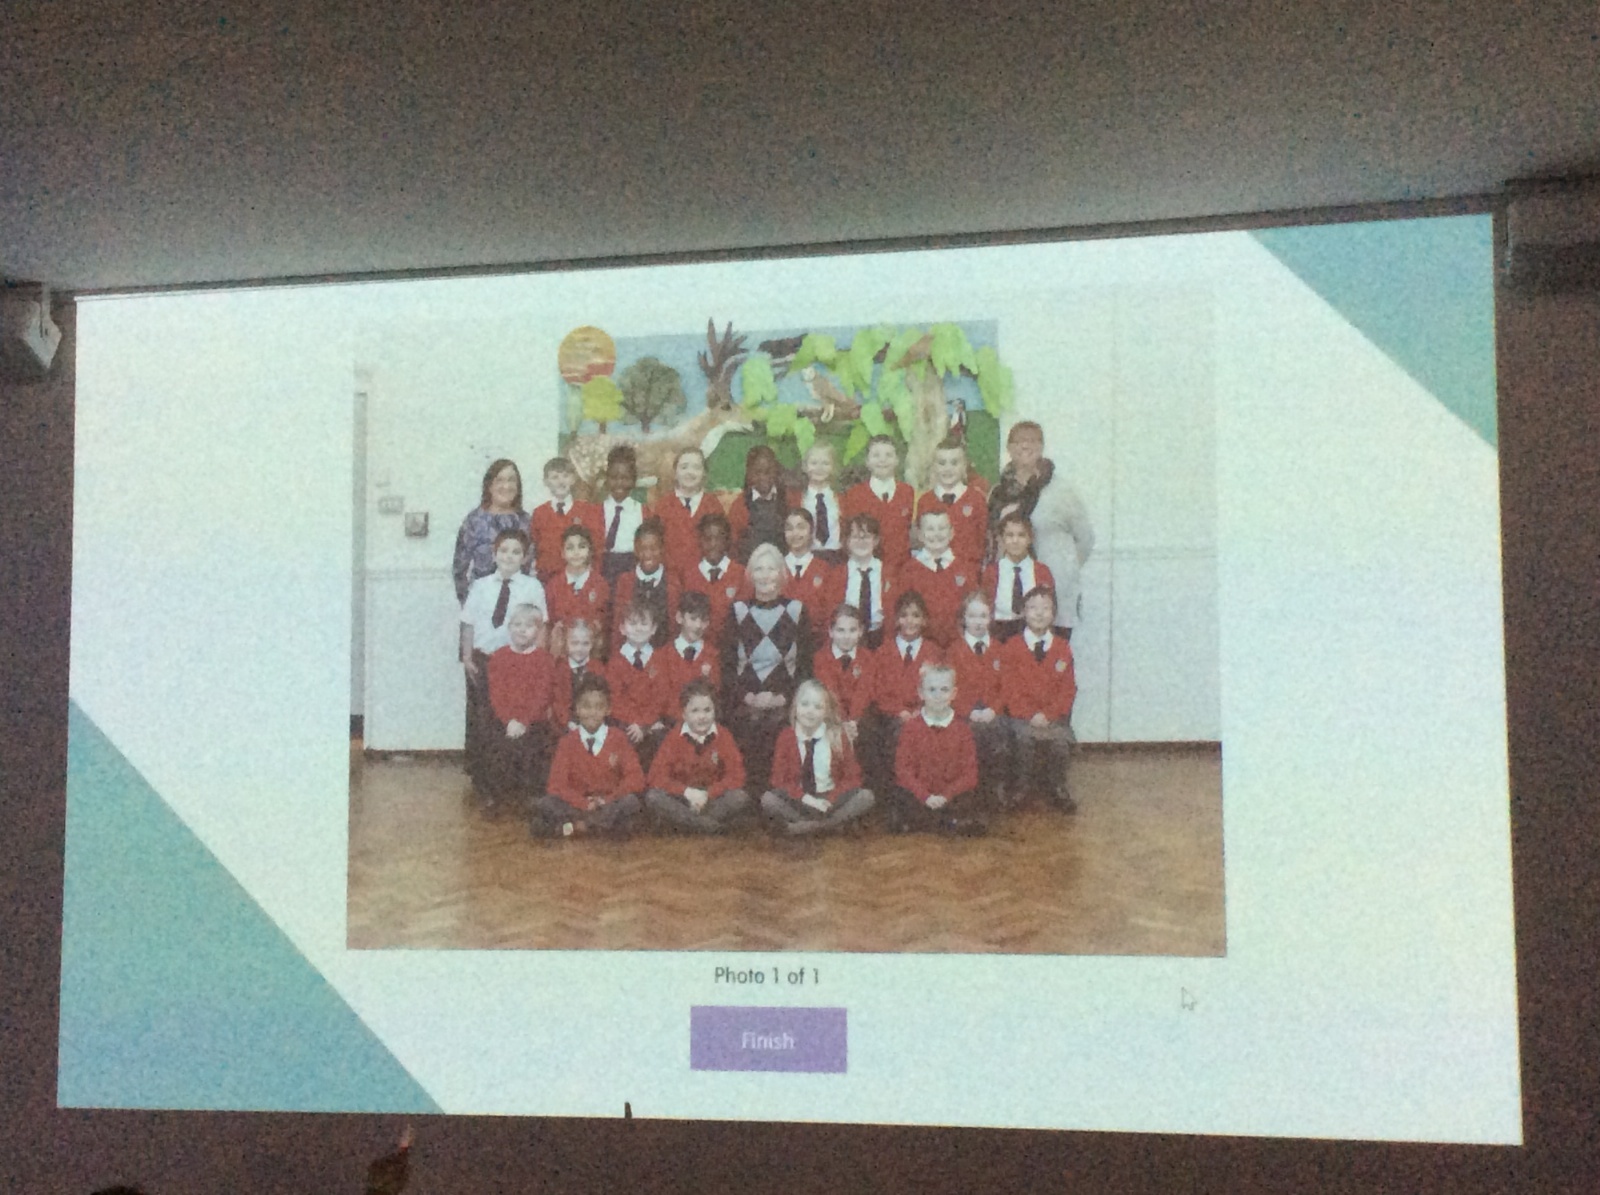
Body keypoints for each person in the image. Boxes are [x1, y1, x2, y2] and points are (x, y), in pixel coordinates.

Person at [987, 420, 1094, 637]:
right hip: (1011, 599)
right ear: (1009, 448)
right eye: (1018, 441)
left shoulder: (1062, 492)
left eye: (1032, 441)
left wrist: (1065, 568)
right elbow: (993, 542)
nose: (1025, 446)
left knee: (1053, 655)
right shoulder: (998, 494)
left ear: (1042, 447)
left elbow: (1085, 539)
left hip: (1055, 592)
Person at [458, 529, 547, 789]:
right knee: (482, 719)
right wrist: (467, 656)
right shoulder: (480, 586)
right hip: (483, 659)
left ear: (525, 558)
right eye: (504, 551)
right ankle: (482, 776)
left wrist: (538, 658)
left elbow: (542, 625)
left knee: (512, 715)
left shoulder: (532, 586)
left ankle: (513, 777)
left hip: (516, 661)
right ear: (494, 554)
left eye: (516, 552)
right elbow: (468, 622)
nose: (509, 556)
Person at [722, 542, 812, 792]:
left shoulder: (797, 610)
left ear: (782, 574)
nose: (764, 576)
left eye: (771, 569)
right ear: (750, 575)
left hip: (785, 701)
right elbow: (726, 667)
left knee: (778, 728)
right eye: (759, 569)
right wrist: (748, 697)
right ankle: (749, 800)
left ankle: (778, 798)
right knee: (748, 726)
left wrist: (783, 698)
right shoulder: (737, 611)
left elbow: (805, 668)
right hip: (745, 700)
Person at [998, 585, 1078, 812]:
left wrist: (1049, 715)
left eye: (1046, 608)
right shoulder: (1012, 646)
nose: (1040, 613)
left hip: (1053, 717)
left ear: (1054, 614)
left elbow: (1068, 689)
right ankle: (1021, 789)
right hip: (1022, 716)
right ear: (1023, 612)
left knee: (1061, 742)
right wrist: (1030, 714)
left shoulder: (1062, 648)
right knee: (1022, 740)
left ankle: (1058, 788)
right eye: (1033, 608)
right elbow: (1008, 687)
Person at [535, 674, 645, 837]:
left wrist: (606, 800)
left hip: (607, 803)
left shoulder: (618, 738)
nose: (592, 713)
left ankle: (578, 827)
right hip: (578, 804)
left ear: (608, 710)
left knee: (631, 802)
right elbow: (556, 784)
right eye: (586, 707)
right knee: (546, 803)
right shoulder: (567, 742)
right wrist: (584, 803)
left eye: (599, 707)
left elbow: (636, 778)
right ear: (577, 709)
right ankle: (598, 827)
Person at [761, 679, 875, 836]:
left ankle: (808, 827)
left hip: (830, 799)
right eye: (805, 704)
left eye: (818, 707)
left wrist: (831, 799)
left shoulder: (837, 735)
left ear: (826, 712)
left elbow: (852, 777)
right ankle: (829, 826)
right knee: (768, 799)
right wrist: (806, 799)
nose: (810, 711)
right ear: (795, 707)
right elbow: (778, 780)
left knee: (866, 796)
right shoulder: (786, 737)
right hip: (800, 799)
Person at [644, 679, 752, 833]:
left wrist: (708, 794)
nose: (702, 717)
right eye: (695, 711)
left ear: (715, 711)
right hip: (682, 799)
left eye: (707, 710)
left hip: (711, 799)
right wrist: (686, 792)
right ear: (684, 714)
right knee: (653, 797)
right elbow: (655, 776)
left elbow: (737, 775)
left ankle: (690, 824)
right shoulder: (674, 738)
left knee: (740, 797)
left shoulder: (724, 736)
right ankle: (706, 825)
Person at [888, 663, 985, 834]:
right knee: (901, 796)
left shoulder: (963, 729)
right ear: (921, 693)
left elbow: (969, 773)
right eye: (932, 690)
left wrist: (946, 796)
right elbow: (903, 770)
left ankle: (940, 821)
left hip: (950, 796)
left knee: (971, 798)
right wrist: (926, 796)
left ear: (954, 693)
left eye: (944, 690)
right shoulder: (911, 728)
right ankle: (941, 822)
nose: (938, 696)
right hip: (921, 795)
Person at [861, 589, 940, 796]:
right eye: (904, 615)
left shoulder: (933, 651)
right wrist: (899, 711)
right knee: (898, 733)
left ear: (924, 620)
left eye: (916, 615)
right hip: (891, 716)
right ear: (896, 619)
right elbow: (878, 690)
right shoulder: (883, 651)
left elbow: (939, 687)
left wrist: (921, 711)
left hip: (925, 713)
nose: (910, 621)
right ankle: (896, 794)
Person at [483, 603, 558, 811]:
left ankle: (531, 796)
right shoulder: (499, 657)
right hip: (505, 720)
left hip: (533, 721)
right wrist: (509, 721)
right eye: (517, 625)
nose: (522, 630)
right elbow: (497, 694)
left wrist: (524, 722)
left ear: (539, 630)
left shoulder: (544, 660)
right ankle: (496, 796)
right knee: (495, 747)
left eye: (528, 626)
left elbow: (543, 695)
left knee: (536, 749)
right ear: (509, 627)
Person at [947, 590, 1009, 810]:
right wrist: (968, 711)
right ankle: (968, 791)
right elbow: (950, 687)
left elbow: (1006, 686)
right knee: (968, 736)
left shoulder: (1000, 649)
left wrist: (994, 709)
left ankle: (994, 789)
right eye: (972, 616)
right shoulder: (954, 650)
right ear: (964, 618)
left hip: (993, 711)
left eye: (983, 616)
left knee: (998, 733)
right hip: (965, 712)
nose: (978, 622)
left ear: (990, 618)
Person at [604, 598, 675, 771]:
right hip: (624, 723)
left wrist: (644, 724)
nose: (638, 628)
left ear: (653, 629)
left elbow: (661, 696)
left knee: (663, 740)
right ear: (622, 628)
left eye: (644, 624)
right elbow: (615, 699)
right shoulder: (615, 662)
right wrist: (634, 723)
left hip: (651, 722)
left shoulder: (660, 660)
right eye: (633, 623)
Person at [452, 457, 530, 603]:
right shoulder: (474, 521)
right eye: (500, 480)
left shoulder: (526, 522)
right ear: (489, 486)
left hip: (519, 604)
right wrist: (468, 604)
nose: (506, 486)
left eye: (511, 480)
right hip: (482, 602)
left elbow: (531, 567)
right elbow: (459, 570)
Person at [901, 507, 975, 648]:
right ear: (920, 535)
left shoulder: (965, 568)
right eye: (930, 529)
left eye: (942, 528)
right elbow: (902, 612)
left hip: (958, 646)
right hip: (921, 647)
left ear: (952, 533)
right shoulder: (909, 570)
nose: (936, 534)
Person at [823, 512, 897, 651]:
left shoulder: (889, 573)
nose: (861, 542)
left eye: (866, 537)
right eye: (856, 537)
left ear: (876, 540)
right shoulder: (836, 574)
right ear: (847, 541)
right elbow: (830, 611)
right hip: (848, 639)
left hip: (880, 637)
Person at [982, 511, 1056, 643]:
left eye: (1021, 535)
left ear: (1030, 538)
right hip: (999, 632)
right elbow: (985, 607)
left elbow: (1049, 608)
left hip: (1031, 631)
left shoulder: (1041, 571)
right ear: (1002, 538)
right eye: (1009, 535)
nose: (1015, 541)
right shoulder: (991, 572)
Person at [842, 433, 916, 565]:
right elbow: (848, 535)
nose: (882, 460)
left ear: (897, 460)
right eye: (876, 455)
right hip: (867, 566)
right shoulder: (854, 495)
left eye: (888, 455)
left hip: (902, 567)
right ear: (867, 461)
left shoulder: (908, 492)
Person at [915, 436, 989, 566]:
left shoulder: (976, 499)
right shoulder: (925, 501)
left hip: (969, 572)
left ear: (964, 466)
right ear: (934, 466)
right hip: (934, 572)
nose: (948, 469)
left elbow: (983, 540)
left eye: (954, 463)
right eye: (942, 463)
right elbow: (922, 540)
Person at [528, 455, 602, 580]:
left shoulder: (587, 510)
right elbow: (534, 548)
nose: (561, 481)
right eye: (555, 477)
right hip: (546, 578)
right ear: (546, 481)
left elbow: (596, 548)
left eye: (565, 476)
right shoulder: (539, 513)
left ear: (573, 479)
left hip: (578, 578)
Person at [654, 446, 723, 579]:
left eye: (696, 467)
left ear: (704, 473)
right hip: (669, 578)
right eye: (684, 467)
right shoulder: (663, 506)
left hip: (704, 578)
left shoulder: (713, 505)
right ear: (675, 473)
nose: (690, 472)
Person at [609, 517, 678, 648]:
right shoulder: (625, 581)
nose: (648, 554)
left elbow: (674, 627)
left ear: (662, 549)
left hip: (663, 652)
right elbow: (618, 623)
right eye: (643, 548)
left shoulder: (673, 582)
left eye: (653, 548)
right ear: (635, 549)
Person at [546, 525, 612, 658]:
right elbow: (551, 621)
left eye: (582, 547)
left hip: (591, 654)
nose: (576, 552)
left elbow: (604, 622)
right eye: (570, 548)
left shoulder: (600, 584)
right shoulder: (554, 584)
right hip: (561, 655)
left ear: (590, 551)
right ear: (562, 553)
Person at [810, 602, 871, 743]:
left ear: (861, 631)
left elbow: (864, 691)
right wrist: (842, 723)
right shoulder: (821, 658)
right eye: (840, 630)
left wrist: (853, 721)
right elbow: (830, 692)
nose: (846, 636)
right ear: (831, 632)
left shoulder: (868, 658)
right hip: (831, 715)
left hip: (858, 719)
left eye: (852, 630)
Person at [680, 512, 745, 646]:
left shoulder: (740, 573)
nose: (713, 544)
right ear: (700, 541)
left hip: (732, 649)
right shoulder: (689, 575)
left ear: (727, 541)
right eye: (707, 538)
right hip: (697, 649)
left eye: (719, 538)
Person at [726, 442, 788, 563]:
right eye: (757, 472)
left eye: (768, 471)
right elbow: (732, 547)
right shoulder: (739, 506)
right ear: (749, 474)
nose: (763, 477)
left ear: (776, 471)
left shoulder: (788, 500)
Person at [598, 444, 646, 581]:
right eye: (614, 477)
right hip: (602, 571)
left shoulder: (642, 512)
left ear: (634, 480)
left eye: (625, 478)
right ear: (606, 478)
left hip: (632, 571)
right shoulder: (595, 511)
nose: (619, 483)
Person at [661, 589, 721, 692]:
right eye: (693, 619)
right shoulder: (663, 655)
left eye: (703, 620)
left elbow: (715, 692)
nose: (698, 626)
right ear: (679, 618)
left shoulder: (713, 655)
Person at [780, 506, 835, 610]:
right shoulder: (776, 567)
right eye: (789, 528)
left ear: (811, 531)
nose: (795, 533)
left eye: (801, 527)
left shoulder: (825, 569)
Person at [796, 440, 844, 561]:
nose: (819, 468)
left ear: (834, 467)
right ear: (805, 466)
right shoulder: (797, 498)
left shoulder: (842, 499)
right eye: (814, 463)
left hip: (836, 556)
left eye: (825, 463)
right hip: (806, 556)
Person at [550, 617, 599, 730]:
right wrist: (568, 722)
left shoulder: (597, 668)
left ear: (592, 644)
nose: (580, 649)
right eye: (574, 643)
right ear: (566, 643)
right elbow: (558, 701)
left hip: (591, 723)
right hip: (564, 725)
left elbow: (600, 698)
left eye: (585, 644)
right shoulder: (560, 669)